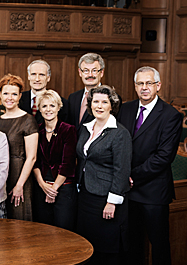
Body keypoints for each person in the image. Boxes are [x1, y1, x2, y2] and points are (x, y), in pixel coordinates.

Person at [118, 67, 183, 265]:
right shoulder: (126, 109)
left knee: (159, 245)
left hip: (153, 192)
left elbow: (163, 157)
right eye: (140, 84)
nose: (144, 88)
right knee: (131, 244)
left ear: (158, 86)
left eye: (149, 83)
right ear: (135, 86)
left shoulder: (171, 115)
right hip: (128, 192)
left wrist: (131, 176)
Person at [75, 85, 131, 265]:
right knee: (87, 245)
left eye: (104, 102)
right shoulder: (85, 128)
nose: (99, 106)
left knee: (105, 249)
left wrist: (112, 202)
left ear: (111, 105)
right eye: (95, 102)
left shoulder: (120, 133)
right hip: (85, 195)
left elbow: (121, 170)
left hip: (105, 199)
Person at [0, 74, 38, 221]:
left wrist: (19, 185)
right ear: (0, 95)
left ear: (19, 96)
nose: (9, 97)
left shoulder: (28, 120)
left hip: (19, 175)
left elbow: (32, 157)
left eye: (14, 94)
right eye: (5, 93)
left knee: (19, 220)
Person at [32, 89, 77, 231]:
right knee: (42, 230)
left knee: (62, 231)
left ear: (58, 107)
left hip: (63, 190)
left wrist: (53, 189)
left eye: (52, 105)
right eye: (44, 106)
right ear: (39, 109)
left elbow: (68, 163)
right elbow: (35, 161)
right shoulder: (37, 131)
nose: (48, 109)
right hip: (42, 188)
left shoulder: (68, 130)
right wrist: (42, 184)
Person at [20, 60, 69, 124]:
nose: (37, 79)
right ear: (29, 76)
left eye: (42, 75)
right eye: (33, 74)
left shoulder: (61, 103)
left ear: (48, 78)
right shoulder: (18, 99)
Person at [67, 53, 105, 132]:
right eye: (86, 71)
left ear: (101, 73)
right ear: (80, 72)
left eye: (94, 70)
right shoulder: (73, 97)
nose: (90, 75)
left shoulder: (109, 98)